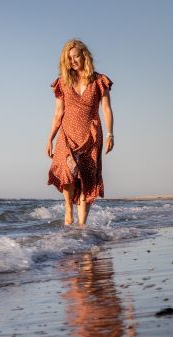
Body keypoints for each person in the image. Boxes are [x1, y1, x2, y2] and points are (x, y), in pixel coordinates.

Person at [46, 39, 114, 226]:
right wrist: (50, 138)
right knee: (67, 172)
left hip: (91, 134)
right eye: (69, 58)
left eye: (76, 56)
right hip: (68, 133)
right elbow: (58, 113)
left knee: (86, 177)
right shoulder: (63, 82)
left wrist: (110, 134)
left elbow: (106, 109)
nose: (73, 61)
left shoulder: (100, 81)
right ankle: (68, 208)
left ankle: (82, 226)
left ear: (85, 56)